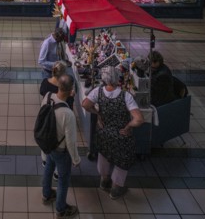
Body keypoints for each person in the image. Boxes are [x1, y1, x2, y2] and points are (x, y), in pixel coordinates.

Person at [81, 66, 144, 200]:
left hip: (103, 132)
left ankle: (104, 181)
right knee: (122, 160)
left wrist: (97, 113)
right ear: (118, 79)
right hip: (121, 135)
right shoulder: (125, 96)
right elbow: (139, 119)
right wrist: (128, 126)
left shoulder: (97, 92)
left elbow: (85, 104)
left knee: (103, 155)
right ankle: (116, 189)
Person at [41, 74, 81, 218]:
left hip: (48, 144)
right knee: (63, 180)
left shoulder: (47, 96)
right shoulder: (68, 114)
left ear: (58, 85)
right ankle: (60, 209)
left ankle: (46, 195)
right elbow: (70, 141)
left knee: (48, 168)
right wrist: (76, 159)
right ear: (71, 91)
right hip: (61, 150)